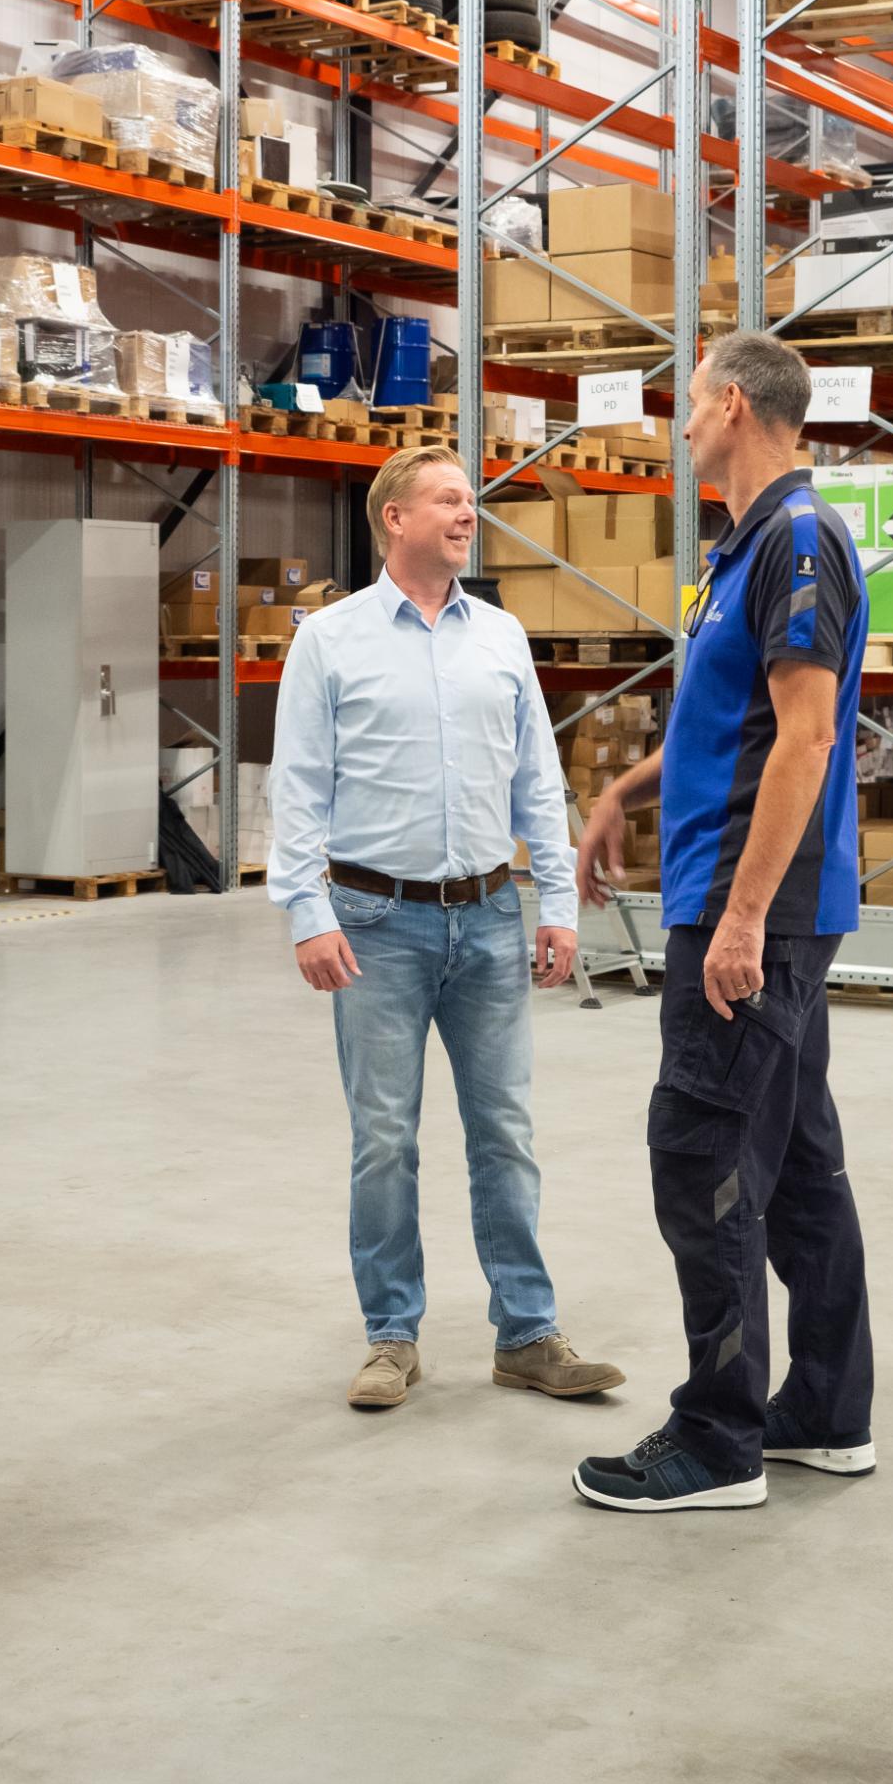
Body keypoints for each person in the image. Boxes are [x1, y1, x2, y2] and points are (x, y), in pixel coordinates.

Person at [570, 334, 874, 1512]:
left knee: (698, 1151)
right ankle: (824, 1412)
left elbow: (805, 738)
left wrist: (743, 918)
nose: (680, 419)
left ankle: (717, 1438)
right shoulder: (743, 546)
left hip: (756, 909)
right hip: (749, 898)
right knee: (796, 1161)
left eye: (690, 400)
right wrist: (621, 791)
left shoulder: (796, 539)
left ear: (734, 406)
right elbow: (728, 718)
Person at [268, 445, 624, 1412]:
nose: (468, 514)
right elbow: (295, 785)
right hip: (373, 920)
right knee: (384, 1138)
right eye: (449, 500)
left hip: (489, 916)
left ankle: (528, 1333)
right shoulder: (330, 640)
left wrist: (555, 903)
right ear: (394, 517)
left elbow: (535, 783)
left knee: (504, 1132)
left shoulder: (500, 636)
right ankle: (391, 1336)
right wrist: (305, 911)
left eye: (471, 501)